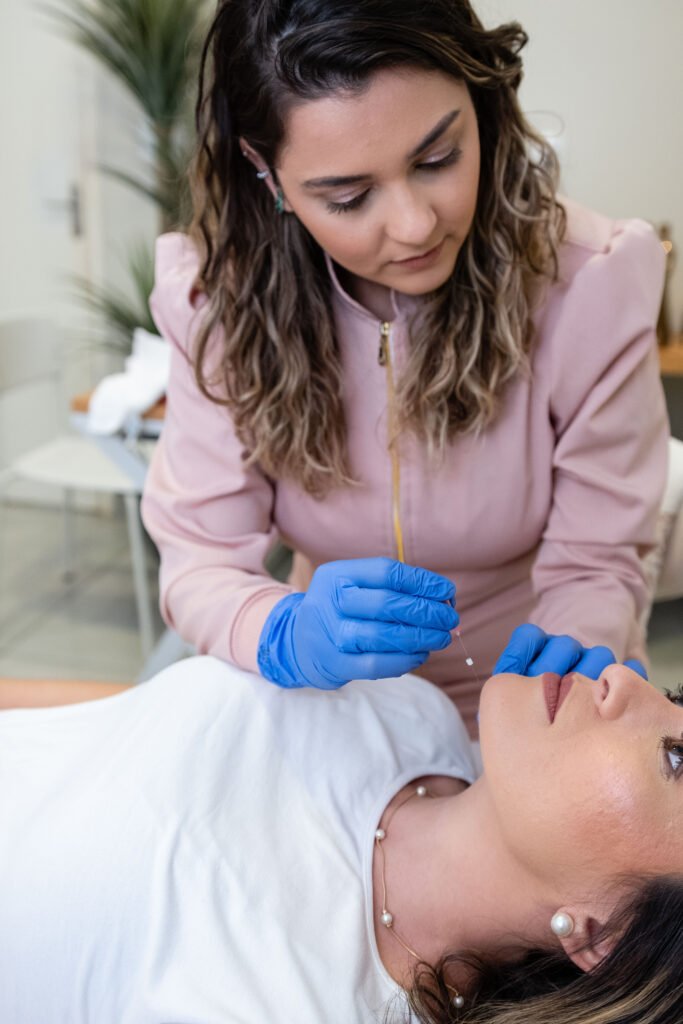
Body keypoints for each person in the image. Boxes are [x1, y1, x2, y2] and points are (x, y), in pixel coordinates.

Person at [141, 0, 669, 731]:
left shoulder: (587, 282)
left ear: (481, 105)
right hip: (332, 711)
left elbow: (596, 559)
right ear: (267, 176)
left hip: (528, 711)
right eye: (349, 197)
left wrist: (567, 662)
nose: (416, 224)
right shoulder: (217, 304)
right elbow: (201, 559)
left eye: (437, 158)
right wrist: (285, 636)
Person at [1, 626, 682, 1023]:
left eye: (674, 758)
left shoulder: (293, 1002)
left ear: (608, 936)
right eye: (674, 699)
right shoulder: (411, 711)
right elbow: (117, 724)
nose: (624, 679)